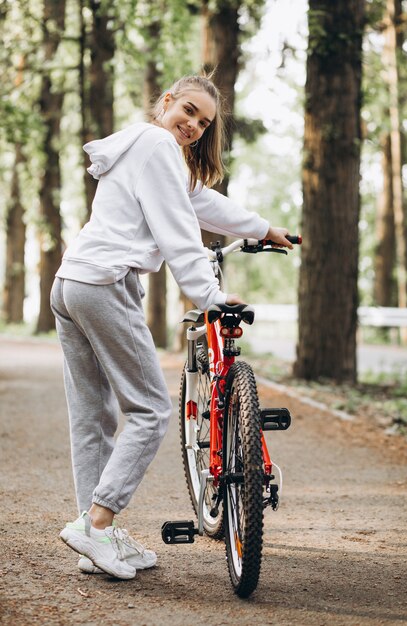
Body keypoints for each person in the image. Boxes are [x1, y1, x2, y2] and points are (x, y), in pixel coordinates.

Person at [51, 73, 293, 580]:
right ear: (166, 103)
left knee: (92, 416)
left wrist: (261, 228)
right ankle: (98, 524)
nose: (193, 126)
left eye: (203, 123)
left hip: (71, 282)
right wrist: (208, 294)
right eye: (188, 111)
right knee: (151, 409)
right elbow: (179, 227)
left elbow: (200, 202)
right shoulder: (158, 143)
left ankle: (94, 536)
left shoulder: (141, 146)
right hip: (103, 285)